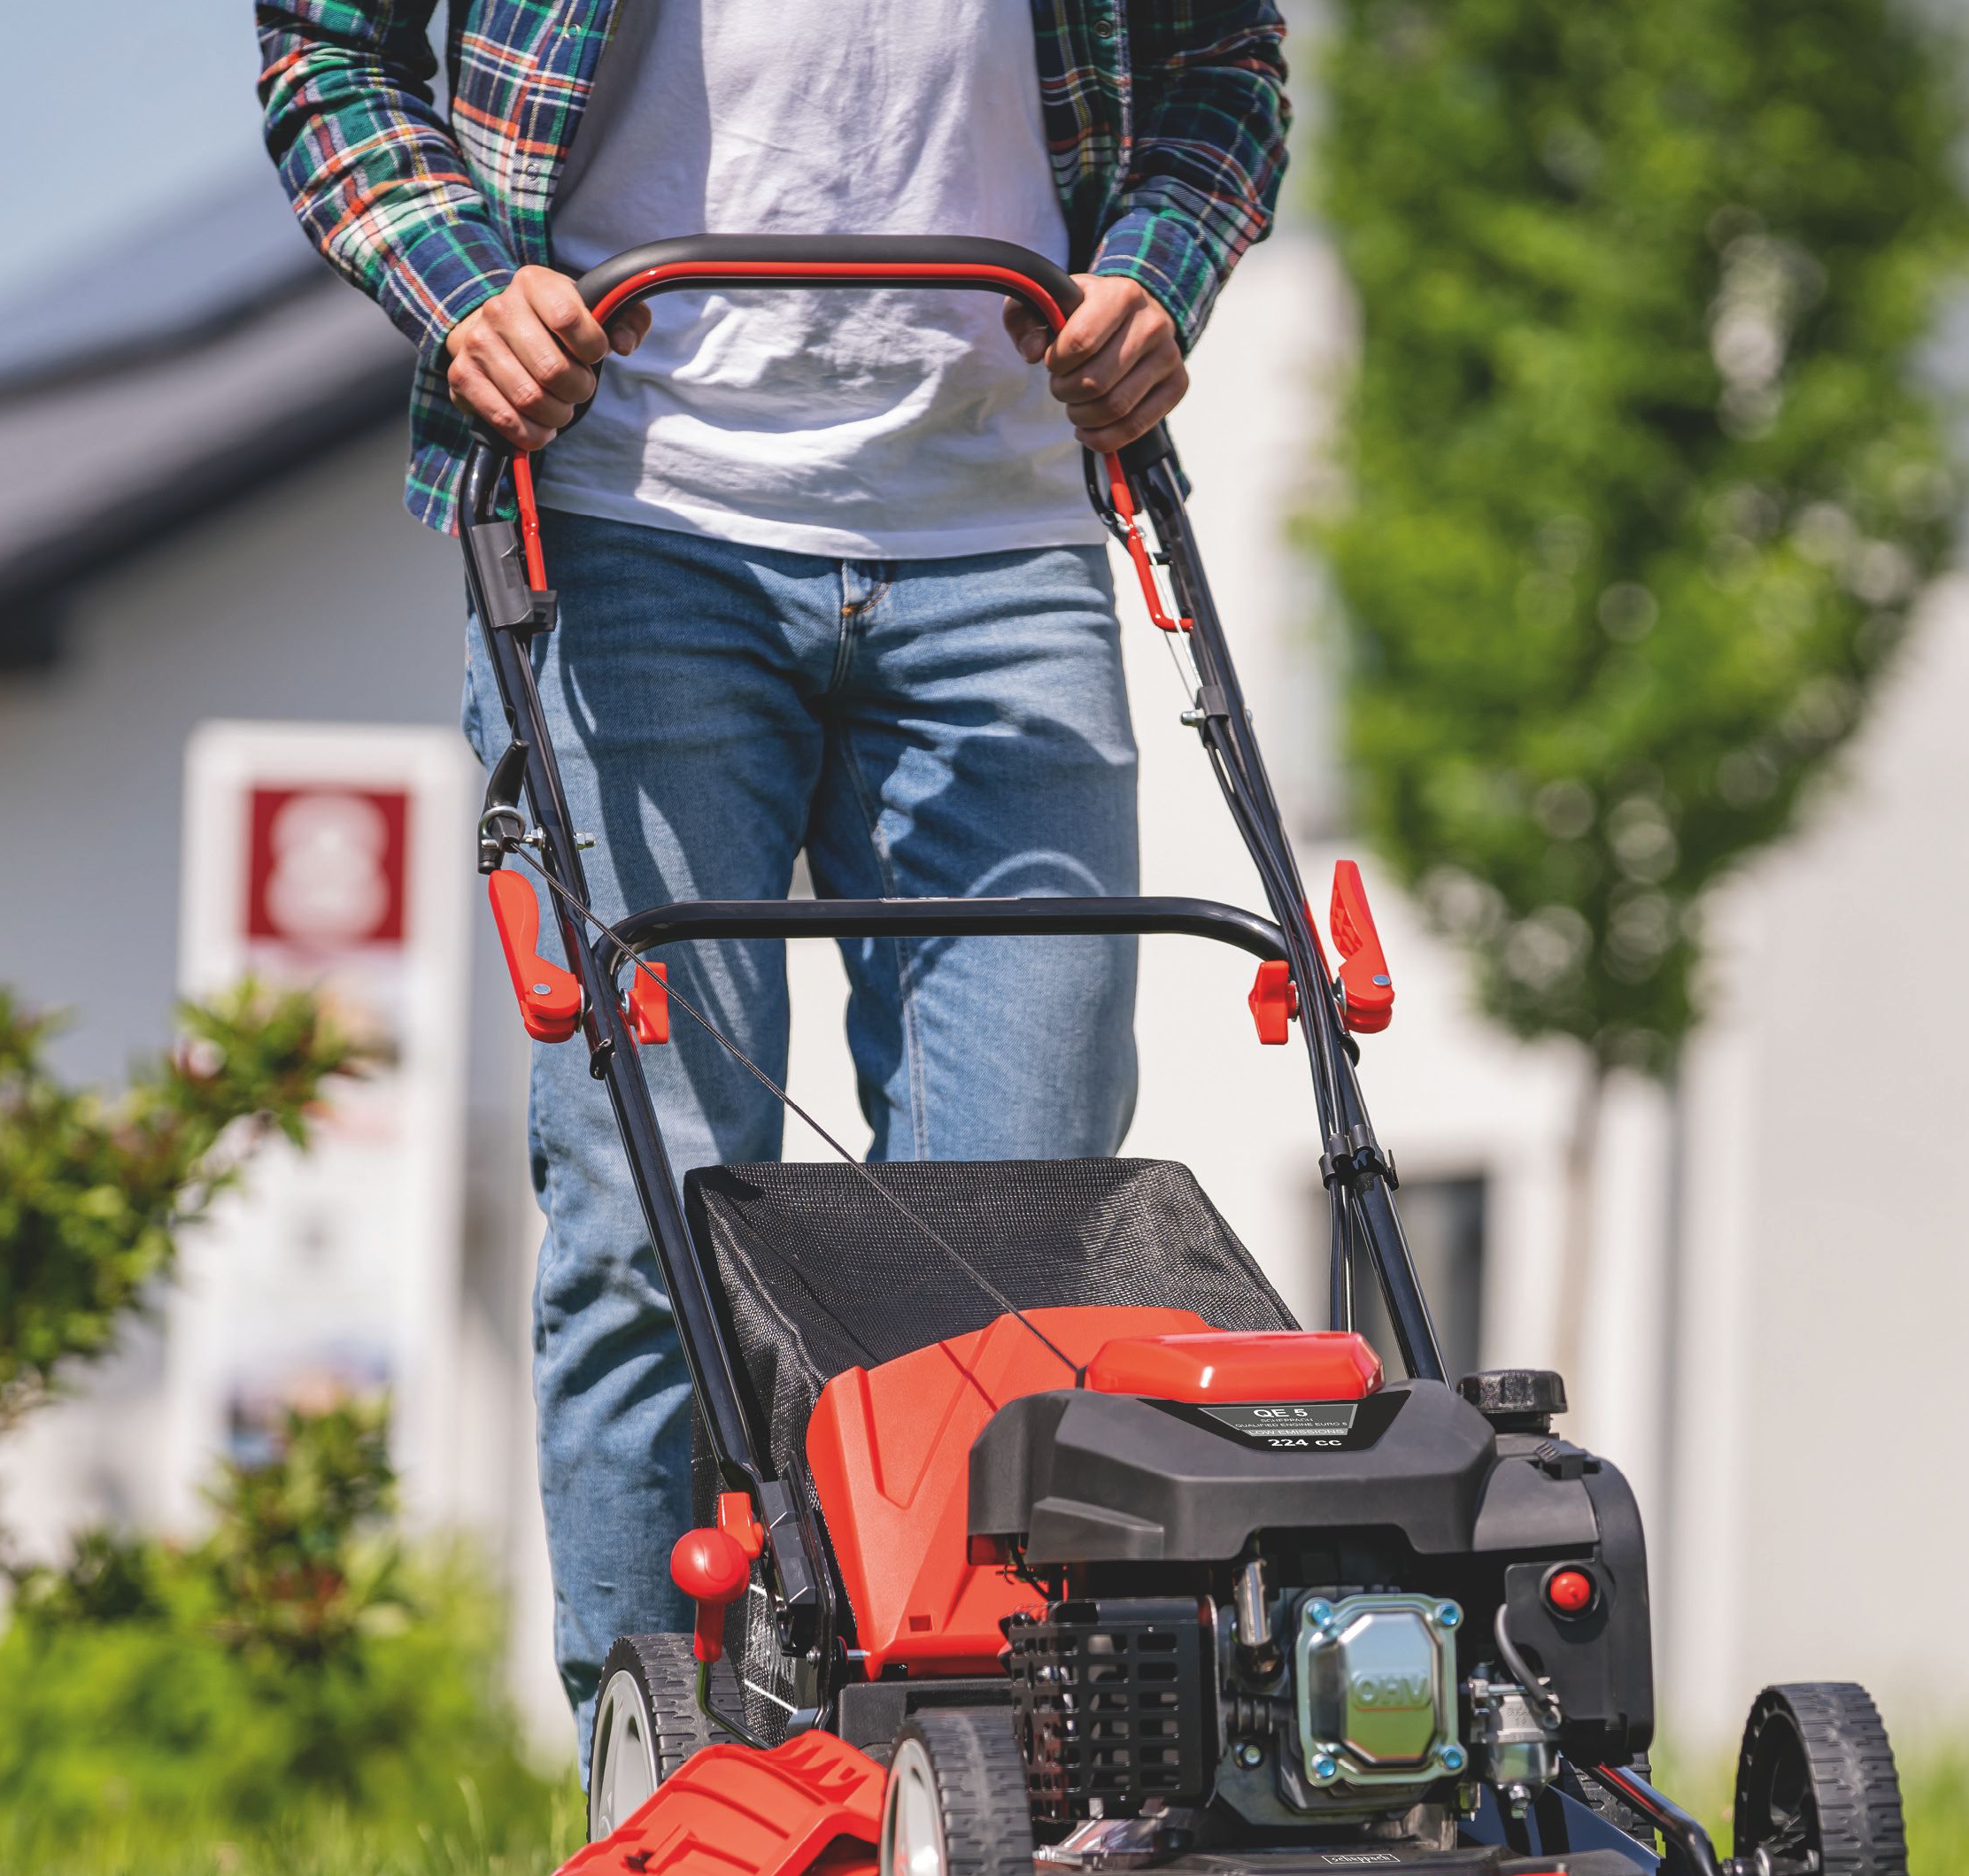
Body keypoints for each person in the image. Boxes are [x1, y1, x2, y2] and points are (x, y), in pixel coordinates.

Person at [252, 0, 1291, 1739]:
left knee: (1020, 1244)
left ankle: (976, 1768)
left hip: (1004, 531)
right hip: (631, 508)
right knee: (644, 1221)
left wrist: (1155, 273)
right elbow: (327, 52)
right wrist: (460, 287)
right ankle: (660, 1790)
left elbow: (1221, 76)